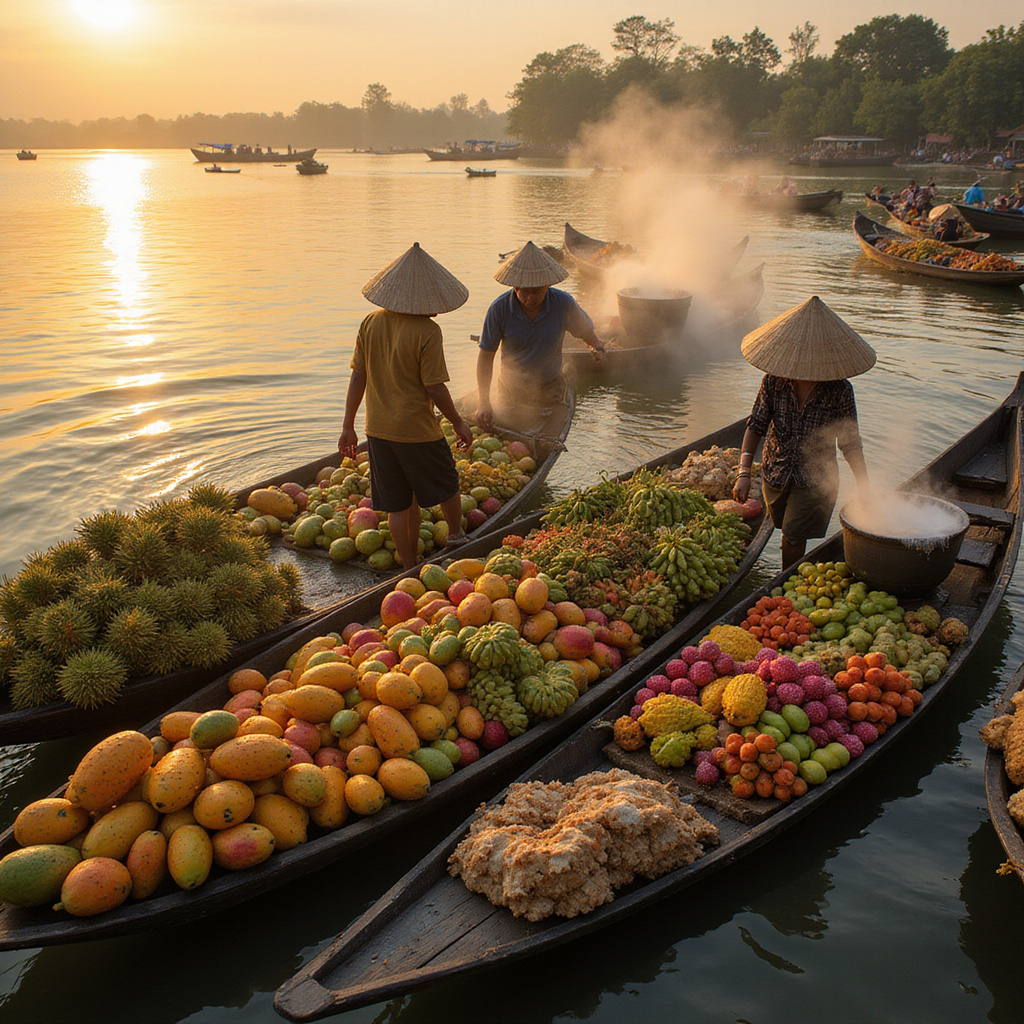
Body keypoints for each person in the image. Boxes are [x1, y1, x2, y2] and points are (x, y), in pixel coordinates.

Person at [339, 242, 474, 569]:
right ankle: (456, 535)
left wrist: (348, 426)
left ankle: (409, 565)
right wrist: (457, 421)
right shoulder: (428, 331)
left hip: (379, 431)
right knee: (447, 483)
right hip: (417, 431)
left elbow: (359, 376)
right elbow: (434, 385)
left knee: (399, 503)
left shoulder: (370, 322)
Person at [731, 296, 875, 568]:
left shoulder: (839, 391)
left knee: (794, 535)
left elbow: (850, 443)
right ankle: (790, 577)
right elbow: (756, 425)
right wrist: (743, 473)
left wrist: (864, 484)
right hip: (776, 472)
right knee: (784, 528)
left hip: (815, 479)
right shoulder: (774, 380)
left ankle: (785, 582)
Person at [475, 240, 605, 431]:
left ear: (547, 286)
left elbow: (585, 330)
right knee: (512, 435)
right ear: (515, 287)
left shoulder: (563, 303)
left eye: (536, 291)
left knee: (546, 436)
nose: (530, 298)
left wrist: (597, 347)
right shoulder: (499, 309)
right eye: (525, 292)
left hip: (550, 388)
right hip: (511, 390)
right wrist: (484, 401)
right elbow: (486, 356)